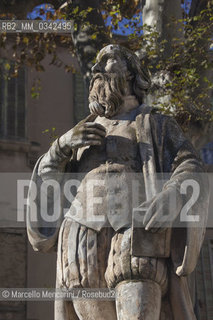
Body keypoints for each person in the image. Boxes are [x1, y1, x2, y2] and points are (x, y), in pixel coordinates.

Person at [27, 44, 209, 320]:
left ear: (133, 75)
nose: (99, 68)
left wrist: (173, 194)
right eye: (97, 64)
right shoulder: (80, 132)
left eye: (109, 60)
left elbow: (189, 166)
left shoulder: (156, 124)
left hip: (136, 237)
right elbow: (47, 183)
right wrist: (61, 146)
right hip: (80, 242)